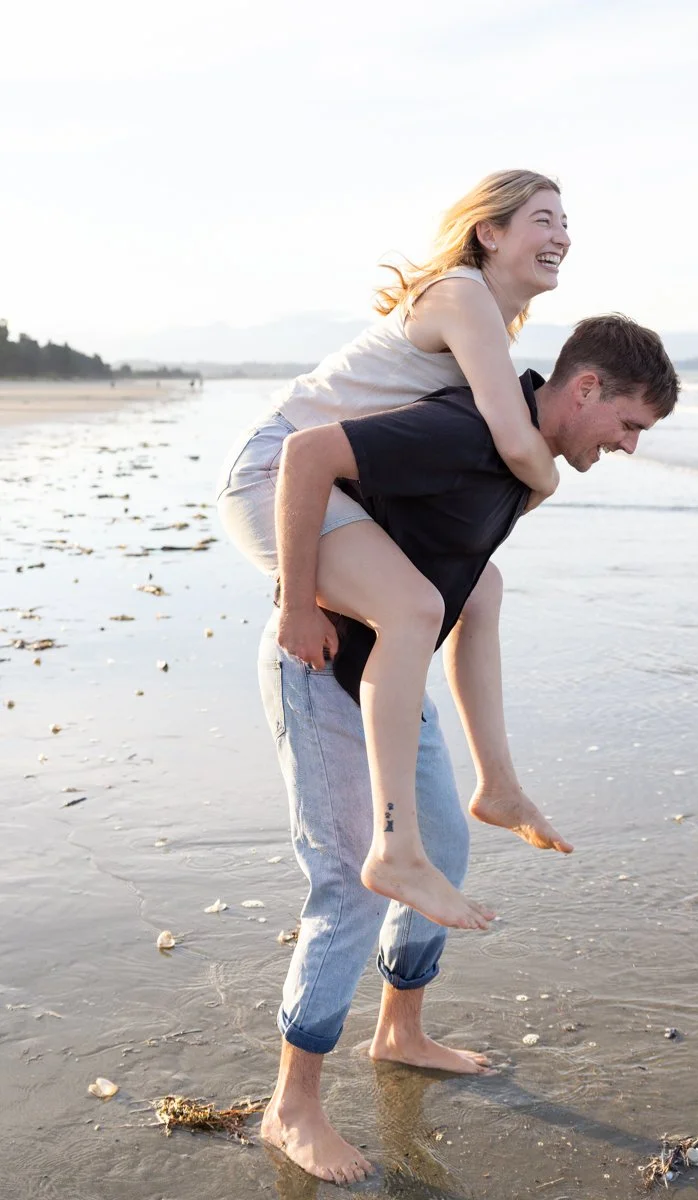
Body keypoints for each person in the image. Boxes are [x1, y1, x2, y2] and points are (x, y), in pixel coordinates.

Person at [258, 315, 680, 1183]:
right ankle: (291, 1107)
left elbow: (465, 585)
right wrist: (296, 603)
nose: (630, 445)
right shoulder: (464, 431)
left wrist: (497, 768)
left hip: (389, 680)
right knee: (352, 884)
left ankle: (399, 1031)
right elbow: (304, 456)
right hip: (321, 663)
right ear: (586, 388)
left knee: (443, 848)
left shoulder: (520, 469)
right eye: (630, 423)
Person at [218, 169, 570, 931]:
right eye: (544, 219)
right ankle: (397, 850)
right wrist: (299, 602)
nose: (562, 237)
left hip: (327, 483)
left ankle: (498, 785)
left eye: (565, 223)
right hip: (275, 474)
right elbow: (515, 443)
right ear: (489, 232)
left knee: (480, 588)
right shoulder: (463, 295)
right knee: (412, 609)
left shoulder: (487, 321)